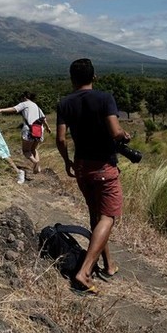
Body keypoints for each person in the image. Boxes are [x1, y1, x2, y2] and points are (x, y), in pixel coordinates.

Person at [55, 58, 130, 296]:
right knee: (108, 217)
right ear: (94, 77)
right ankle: (84, 272)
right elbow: (115, 132)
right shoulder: (105, 98)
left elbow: (60, 139)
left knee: (95, 215)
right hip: (103, 166)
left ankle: (108, 265)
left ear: (72, 79)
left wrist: (67, 161)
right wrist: (124, 134)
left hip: (81, 166)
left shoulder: (64, 103)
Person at [0, 91, 52, 175]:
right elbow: (43, 118)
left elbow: (14, 109)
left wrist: (0, 110)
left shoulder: (24, 104)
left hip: (29, 129)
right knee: (33, 149)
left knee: (26, 151)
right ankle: (38, 168)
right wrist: (48, 127)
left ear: (25, 97)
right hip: (39, 129)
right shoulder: (36, 105)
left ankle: (35, 162)